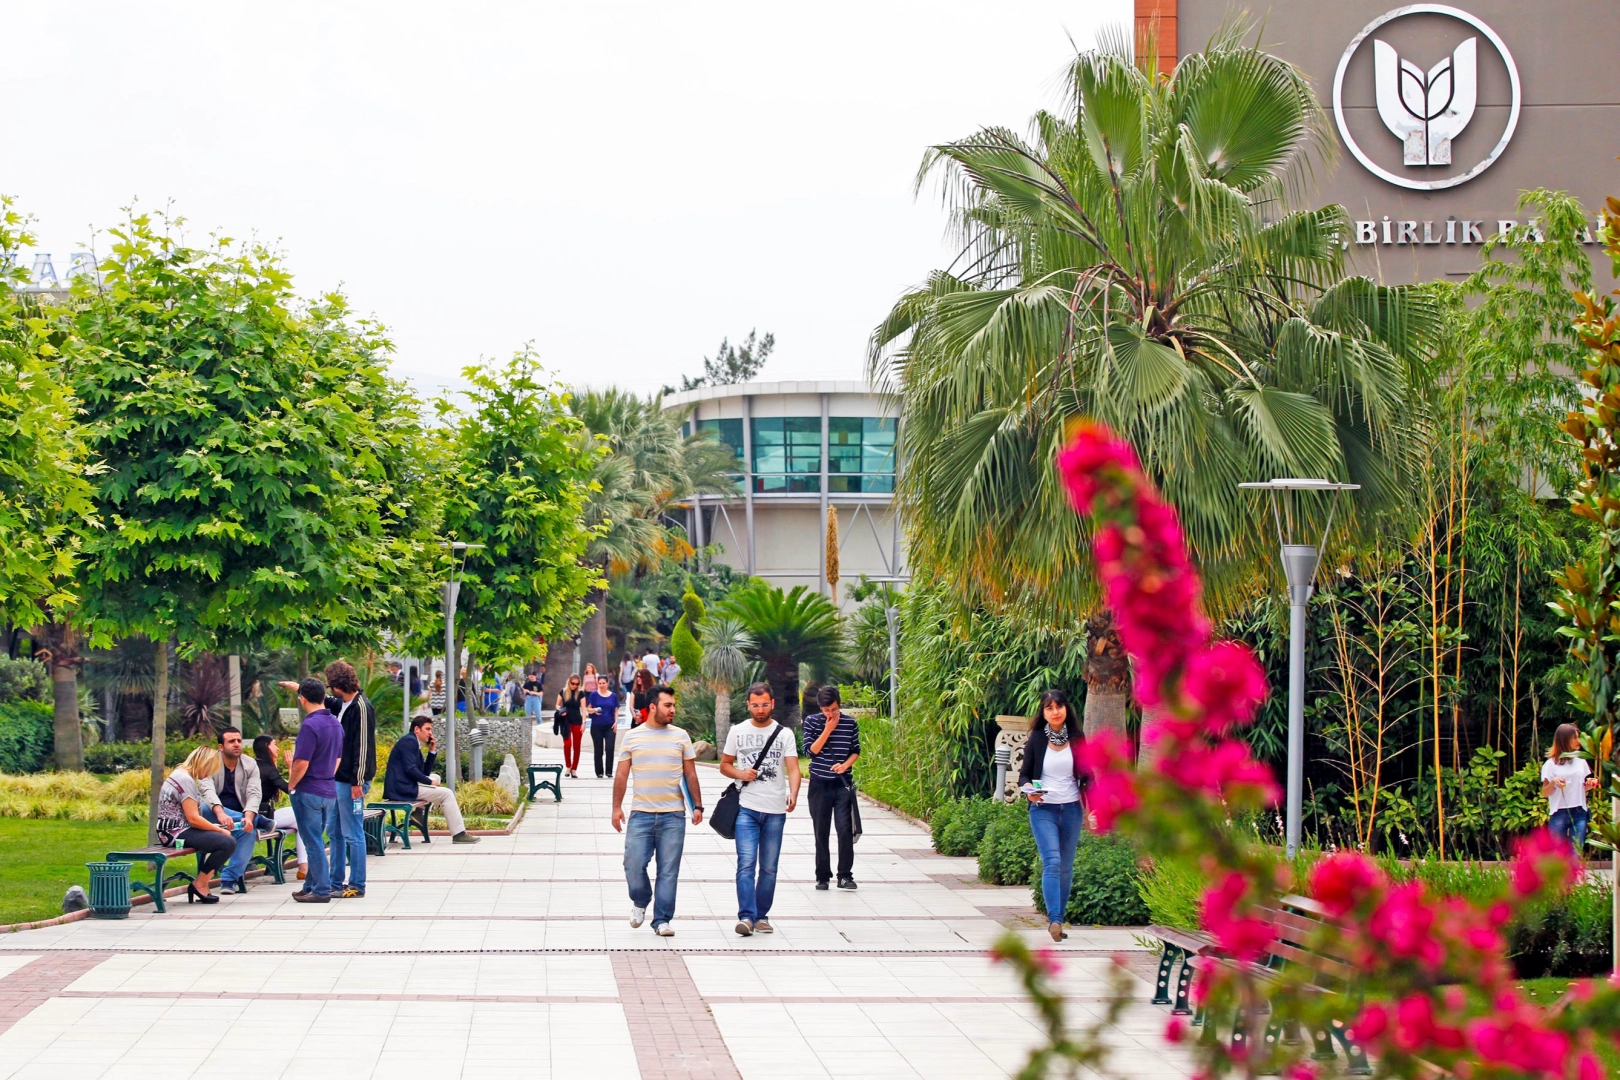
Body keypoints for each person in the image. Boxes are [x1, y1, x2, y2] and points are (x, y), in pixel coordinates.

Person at [612, 685, 702, 936]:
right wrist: (616, 807)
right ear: (653, 707)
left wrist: (697, 806)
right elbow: (621, 774)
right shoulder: (633, 737)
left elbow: (690, 773)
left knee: (668, 870)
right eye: (668, 705)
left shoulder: (681, 736)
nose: (673, 709)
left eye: (673, 705)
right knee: (632, 864)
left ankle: (662, 919)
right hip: (640, 813)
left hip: (673, 815)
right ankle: (640, 900)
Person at [720, 683, 800, 936]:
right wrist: (741, 773)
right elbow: (724, 765)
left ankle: (761, 915)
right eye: (755, 705)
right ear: (748, 705)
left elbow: (794, 768)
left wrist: (794, 792)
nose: (760, 709)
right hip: (747, 807)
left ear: (772, 704)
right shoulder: (738, 731)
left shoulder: (784, 733)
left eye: (764, 704)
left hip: (775, 810)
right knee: (746, 863)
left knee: (769, 866)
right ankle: (746, 916)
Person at [1018, 690, 1094, 943]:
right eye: (1049, 708)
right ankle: (1054, 920)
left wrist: (1093, 807)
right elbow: (1024, 775)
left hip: (1071, 809)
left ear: (1066, 709)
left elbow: (1088, 775)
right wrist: (1030, 792)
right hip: (1043, 810)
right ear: (1043, 713)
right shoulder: (1037, 739)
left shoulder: (1076, 738)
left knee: (1065, 868)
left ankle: (1059, 920)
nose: (1055, 711)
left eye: (1059, 706)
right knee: (1052, 861)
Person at [153, 745, 236, 904]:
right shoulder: (185, 779)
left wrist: (216, 829)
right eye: (210, 770)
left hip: (178, 830)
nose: (207, 775)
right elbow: (193, 818)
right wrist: (220, 831)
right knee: (227, 842)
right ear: (203, 764)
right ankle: (200, 884)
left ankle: (201, 883)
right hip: (174, 834)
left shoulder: (182, 775)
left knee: (224, 839)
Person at [287, 677, 343, 903]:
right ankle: (310, 884)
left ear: (302, 699)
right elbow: (337, 759)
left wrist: (291, 784)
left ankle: (320, 889)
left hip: (309, 789)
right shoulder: (336, 724)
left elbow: (301, 762)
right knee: (316, 838)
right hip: (328, 789)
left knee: (312, 842)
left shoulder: (310, 725)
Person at [385, 713, 480, 844]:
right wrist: (429, 782)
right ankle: (459, 834)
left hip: (404, 785)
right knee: (447, 794)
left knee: (436, 776)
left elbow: (423, 772)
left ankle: (418, 813)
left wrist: (432, 751)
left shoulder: (413, 742)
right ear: (416, 729)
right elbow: (410, 770)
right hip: (401, 788)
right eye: (427, 729)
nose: (430, 733)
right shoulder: (409, 742)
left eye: (431, 729)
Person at [801, 685, 860, 891]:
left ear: (839, 705)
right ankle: (822, 876)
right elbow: (811, 751)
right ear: (820, 708)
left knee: (844, 830)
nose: (830, 714)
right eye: (826, 710)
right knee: (821, 831)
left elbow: (855, 750)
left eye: (834, 709)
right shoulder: (812, 722)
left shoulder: (850, 723)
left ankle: (845, 875)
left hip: (842, 785)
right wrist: (828, 729)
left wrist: (845, 765)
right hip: (819, 784)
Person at [326, 661, 376, 900]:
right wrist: (300, 689)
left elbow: (363, 746)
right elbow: (327, 702)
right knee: (334, 831)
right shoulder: (344, 704)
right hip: (341, 780)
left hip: (351, 781)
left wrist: (358, 780)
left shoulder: (361, 708)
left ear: (337, 686)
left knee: (353, 833)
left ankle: (357, 884)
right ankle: (335, 881)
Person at [203, 726, 265, 895]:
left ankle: (229, 879)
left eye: (239, 740)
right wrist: (220, 813)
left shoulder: (249, 764)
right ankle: (260, 821)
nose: (237, 744)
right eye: (231, 741)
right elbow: (206, 791)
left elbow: (254, 793)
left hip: (239, 817)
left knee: (248, 830)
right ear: (220, 747)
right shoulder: (209, 762)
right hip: (212, 816)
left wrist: (249, 816)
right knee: (202, 807)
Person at [254, 735, 306, 881]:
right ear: (266, 747)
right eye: (274, 744)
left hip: (257, 814)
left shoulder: (255, 765)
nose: (277, 748)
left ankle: (304, 867)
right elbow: (292, 790)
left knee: (301, 822)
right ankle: (304, 867)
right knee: (303, 815)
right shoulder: (267, 769)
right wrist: (291, 768)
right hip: (264, 817)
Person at [1543, 723, 1598, 852]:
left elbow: (1580, 789)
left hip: (1579, 811)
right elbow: (1545, 793)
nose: (1578, 741)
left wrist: (1590, 785)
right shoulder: (1550, 764)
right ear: (1564, 739)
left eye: (1578, 737)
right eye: (1574, 738)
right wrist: (1553, 782)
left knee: (1576, 853)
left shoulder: (1581, 761)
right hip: (1559, 812)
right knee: (1557, 855)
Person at [584, 673, 618, 779]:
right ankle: (599, 772)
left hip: (609, 725)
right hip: (597, 726)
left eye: (604, 683)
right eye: (600, 683)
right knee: (598, 749)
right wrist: (594, 710)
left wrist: (616, 722)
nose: (602, 685)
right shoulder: (594, 695)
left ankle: (609, 771)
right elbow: (587, 708)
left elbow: (616, 710)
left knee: (610, 748)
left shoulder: (613, 696)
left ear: (607, 683)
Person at [555, 672, 585, 763]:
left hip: (577, 721)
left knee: (577, 746)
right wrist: (560, 711)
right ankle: (568, 765)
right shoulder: (563, 691)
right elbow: (557, 704)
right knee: (567, 744)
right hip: (566, 721)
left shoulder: (580, 693)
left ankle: (574, 768)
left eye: (577, 684)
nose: (574, 686)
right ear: (569, 682)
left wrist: (584, 722)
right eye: (573, 683)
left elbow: (584, 709)